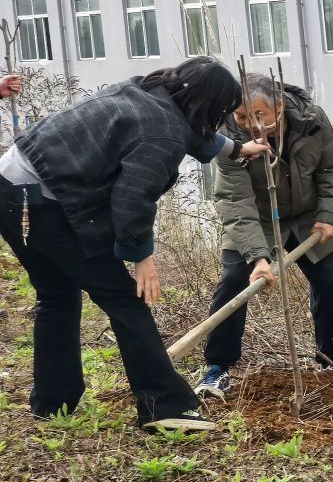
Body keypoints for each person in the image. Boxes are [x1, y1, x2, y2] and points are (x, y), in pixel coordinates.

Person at [0, 59, 268, 432]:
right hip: (41, 203)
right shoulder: (162, 133)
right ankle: (165, 406)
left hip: (11, 188)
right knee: (125, 300)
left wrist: (236, 149)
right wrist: (142, 257)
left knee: (57, 296)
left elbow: (187, 130)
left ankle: (52, 403)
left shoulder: (145, 91)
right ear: (208, 104)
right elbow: (132, 197)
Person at [194, 76, 333, 398]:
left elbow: (332, 170)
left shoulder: (311, 120)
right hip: (256, 218)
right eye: (241, 116)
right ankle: (217, 368)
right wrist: (258, 257)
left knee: (328, 281)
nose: (249, 124)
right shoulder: (227, 136)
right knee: (234, 280)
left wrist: (329, 216)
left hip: (308, 217)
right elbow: (235, 200)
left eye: (258, 115)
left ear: (278, 107)